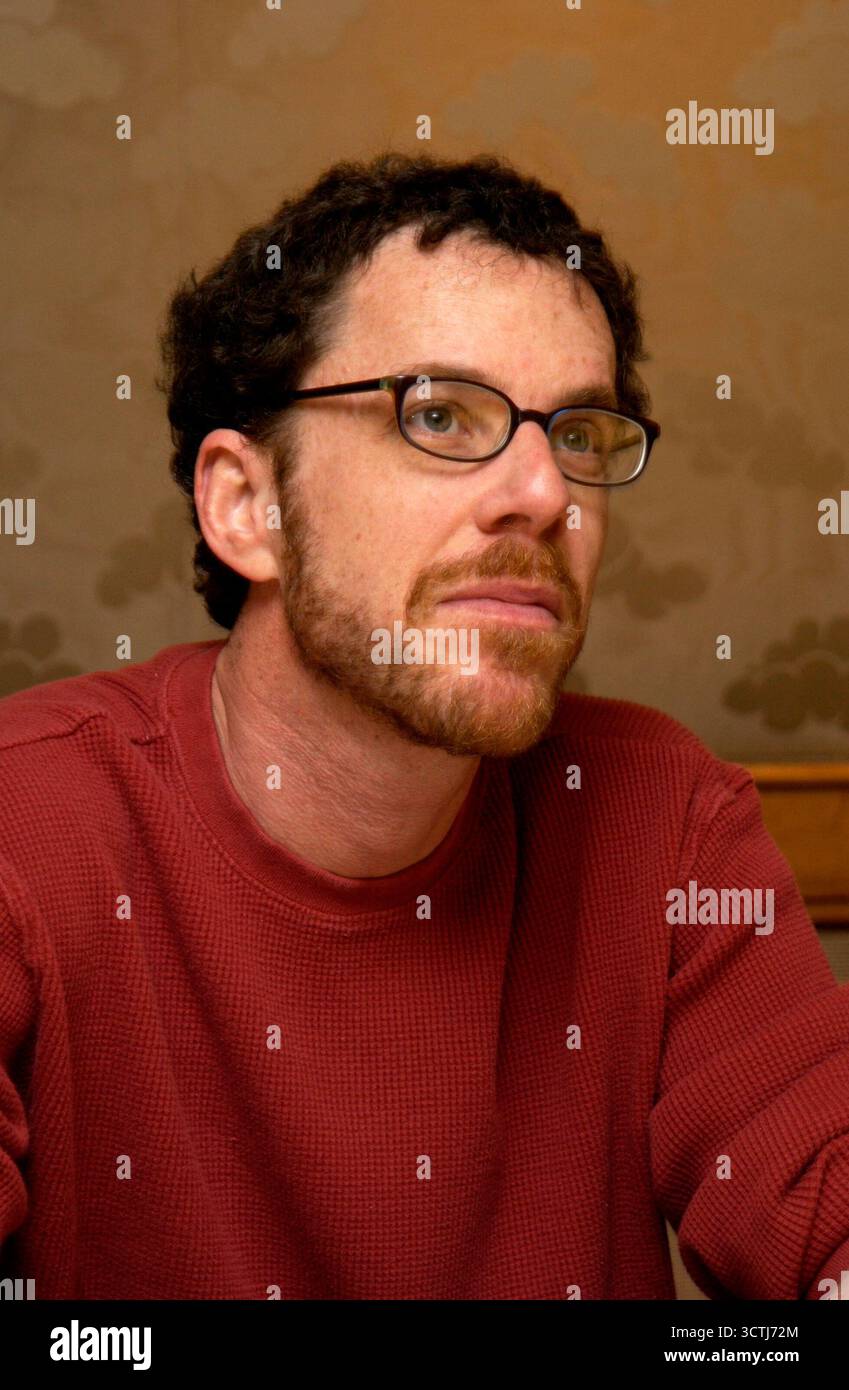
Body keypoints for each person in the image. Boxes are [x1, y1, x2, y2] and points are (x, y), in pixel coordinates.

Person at [1, 152, 847, 1300]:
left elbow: (821, 1205)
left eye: (581, 433)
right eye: (441, 413)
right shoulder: (30, 827)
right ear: (248, 508)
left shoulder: (665, 818)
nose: (545, 494)